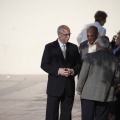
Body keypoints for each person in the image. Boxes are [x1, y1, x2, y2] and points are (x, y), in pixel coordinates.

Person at [41, 25, 81, 120]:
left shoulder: (74, 47)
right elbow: (44, 64)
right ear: (58, 34)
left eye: (69, 35)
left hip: (68, 87)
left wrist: (72, 71)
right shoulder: (49, 47)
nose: (67, 37)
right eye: (65, 35)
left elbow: (79, 64)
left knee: (66, 115)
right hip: (54, 87)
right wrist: (58, 71)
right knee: (51, 115)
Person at [76, 36, 120, 120]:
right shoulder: (114, 60)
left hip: (88, 94)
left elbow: (83, 75)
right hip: (105, 94)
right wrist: (111, 87)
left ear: (97, 45)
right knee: (102, 117)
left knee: (87, 117)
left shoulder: (89, 57)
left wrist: (79, 89)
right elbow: (117, 77)